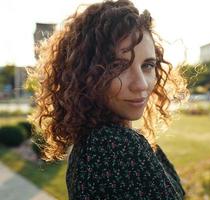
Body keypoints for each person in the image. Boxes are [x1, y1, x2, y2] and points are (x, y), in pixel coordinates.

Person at [27, 0, 189, 199]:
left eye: (147, 65)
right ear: (87, 74)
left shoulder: (98, 141)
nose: (141, 84)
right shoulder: (112, 146)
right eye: (119, 66)